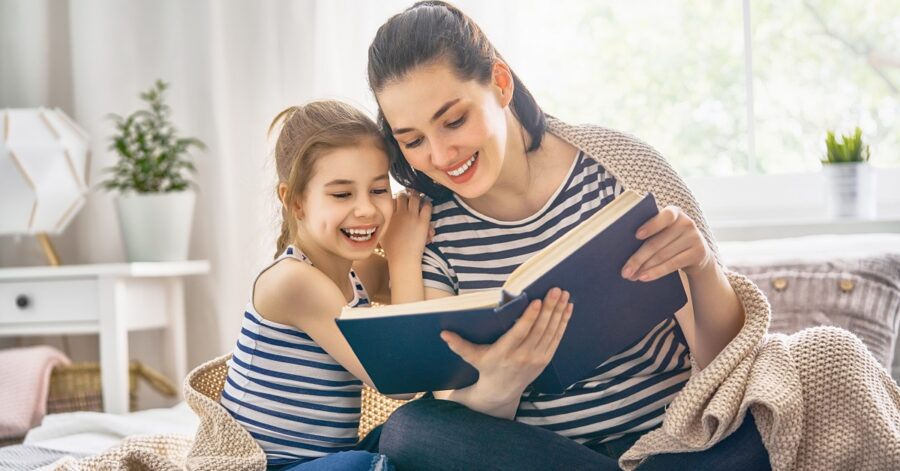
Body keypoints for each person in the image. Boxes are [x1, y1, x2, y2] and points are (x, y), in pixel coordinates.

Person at [366, 2, 771, 469]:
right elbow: (455, 413)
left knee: (800, 384)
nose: (440, 155)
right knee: (407, 432)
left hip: (676, 447)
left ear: (500, 84)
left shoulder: (618, 169)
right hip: (546, 457)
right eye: (413, 140)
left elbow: (726, 365)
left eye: (454, 121)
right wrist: (503, 384)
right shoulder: (431, 227)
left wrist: (701, 270)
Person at [217, 100, 438, 470]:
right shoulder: (294, 282)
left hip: (326, 460)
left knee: (427, 427)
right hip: (275, 466)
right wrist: (403, 255)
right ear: (296, 202)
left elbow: (422, 293)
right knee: (364, 464)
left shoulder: (357, 272)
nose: (366, 209)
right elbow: (401, 381)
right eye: (342, 194)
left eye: (379, 190)